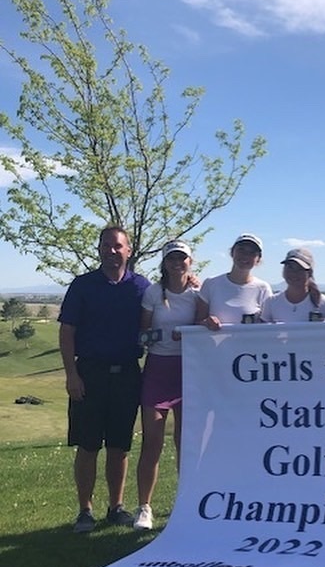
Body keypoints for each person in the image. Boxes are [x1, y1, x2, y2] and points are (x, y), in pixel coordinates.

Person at [59, 226, 150, 533]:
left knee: (119, 447)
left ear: (129, 250)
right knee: (87, 446)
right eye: (106, 246)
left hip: (126, 375)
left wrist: (191, 282)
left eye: (118, 246)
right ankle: (85, 510)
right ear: (98, 249)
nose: (112, 251)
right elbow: (67, 331)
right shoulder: (83, 285)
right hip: (89, 374)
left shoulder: (142, 287)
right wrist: (71, 374)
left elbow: (170, 303)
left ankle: (116, 507)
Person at [133, 240, 200, 531]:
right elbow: (142, 333)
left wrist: (188, 336)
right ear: (164, 262)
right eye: (172, 258)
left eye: (182, 258)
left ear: (190, 261)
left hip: (190, 371)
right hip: (158, 368)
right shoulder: (152, 292)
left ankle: (185, 503)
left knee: (186, 443)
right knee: (153, 442)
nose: (177, 263)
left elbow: (203, 329)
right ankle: (144, 508)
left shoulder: (199, 293)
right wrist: (158, 336)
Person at [196, 233, 272, 328]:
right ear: (232, 252)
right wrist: (206, 322)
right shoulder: (211, 283)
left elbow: (268, 327)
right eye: (241, 250)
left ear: (258, 259)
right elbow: (197, 322)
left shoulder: (263, 288)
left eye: (252, 252)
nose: (245, 255)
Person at [261, 248, 325, 322]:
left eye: (300, 269)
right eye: (290, 267)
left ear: (309, 273)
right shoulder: (271, 302)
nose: (294, 273)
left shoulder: (324, 303)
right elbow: (263, 332)